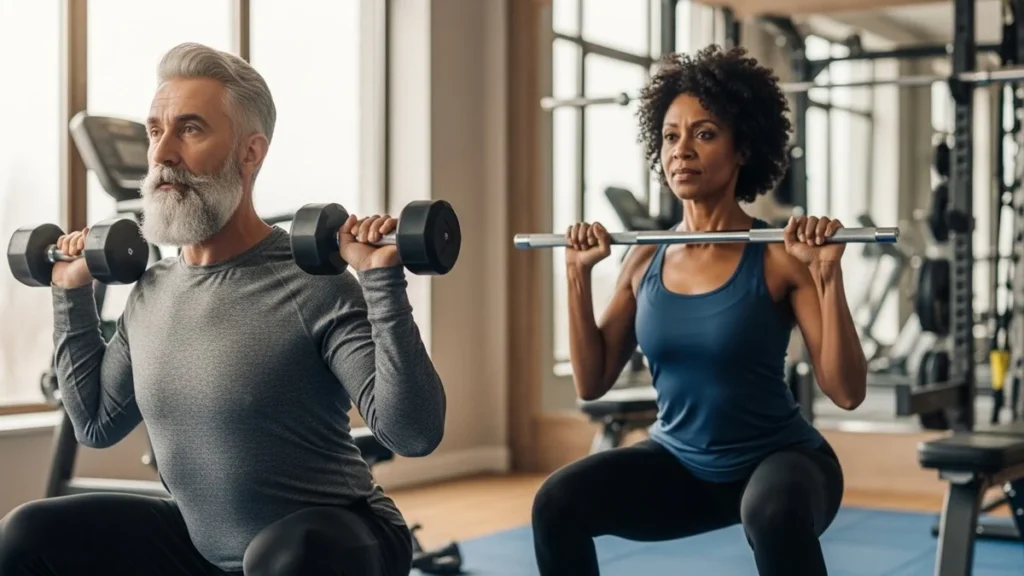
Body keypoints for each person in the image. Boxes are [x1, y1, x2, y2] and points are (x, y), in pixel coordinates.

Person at [0, 42, 445, 576]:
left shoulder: (314, 283)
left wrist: (380, 281)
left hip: (338, 537)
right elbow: (95, 424)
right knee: (29, 535)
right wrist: (71, 294)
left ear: (250, 153)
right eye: (155, 131)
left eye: (189, 129)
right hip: (203, 546)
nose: (162, 153)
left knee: (286, 556)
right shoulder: (152, 291)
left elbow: (414, 433)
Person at [531, 45, 867, 576]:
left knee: (773, 514)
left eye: (704, 133)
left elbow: (847, 392)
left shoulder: (778, 254)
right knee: (556, 504)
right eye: (670, 136)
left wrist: (827, 273)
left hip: (782, 465)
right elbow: (591, 382)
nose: (681, 150)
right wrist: (576, 275)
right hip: (680, 466)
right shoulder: (645, 256)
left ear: (742, 150)